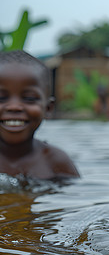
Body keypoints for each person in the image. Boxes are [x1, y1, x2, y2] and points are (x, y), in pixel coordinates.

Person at [0, 50, 80, 180]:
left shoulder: (56, 162)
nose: (14, 107)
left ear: (48, 108)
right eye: (1, 98)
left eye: (29, 98)